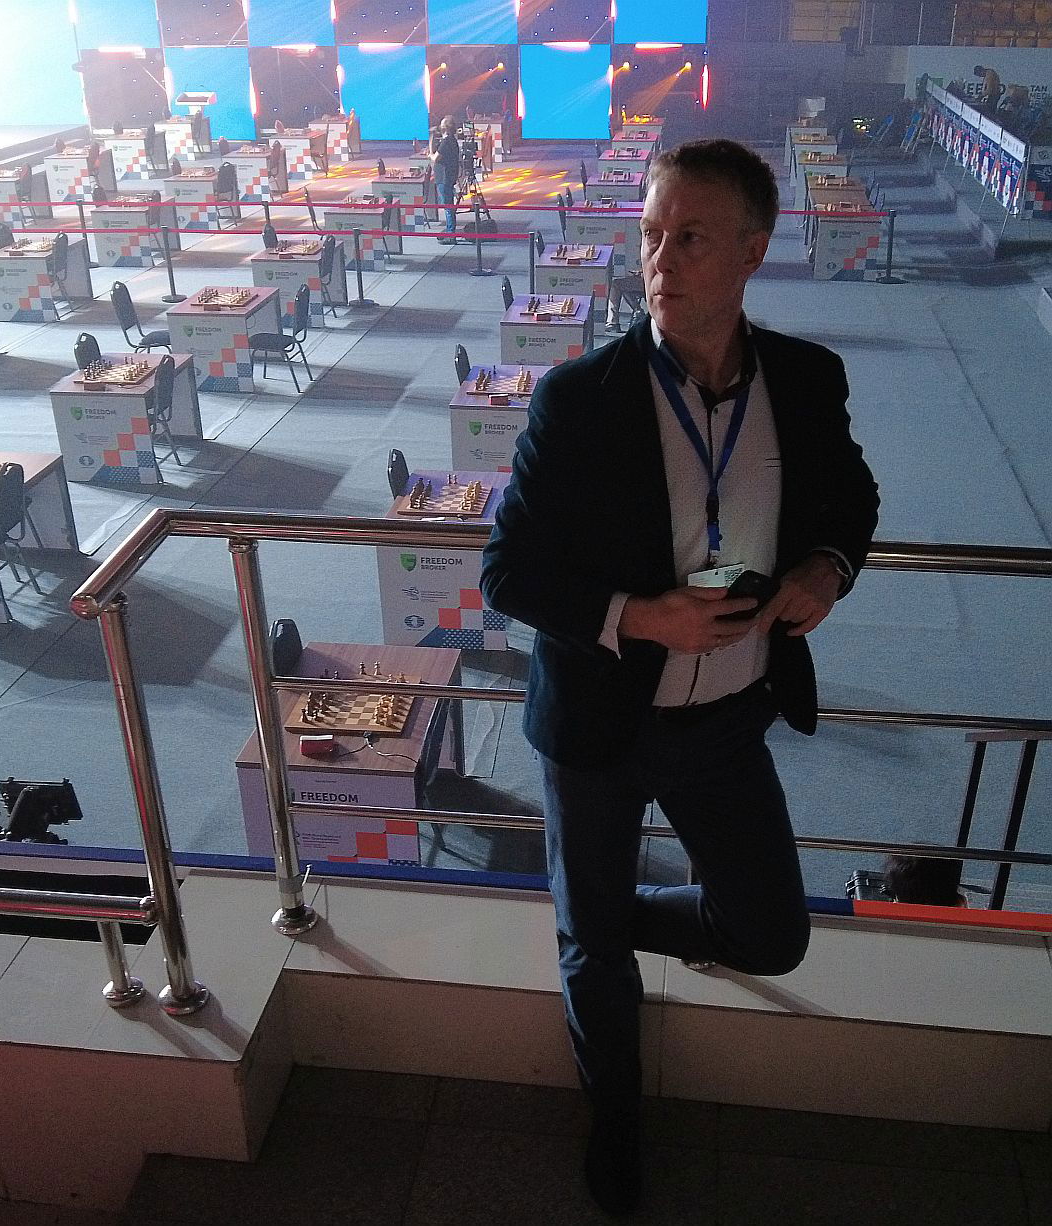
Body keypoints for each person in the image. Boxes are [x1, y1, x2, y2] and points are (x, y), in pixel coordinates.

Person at [480, 139, 880, 1216]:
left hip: (728, 722)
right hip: (599, 726)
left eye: (691, 237)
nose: (659, 259)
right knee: (595, 963)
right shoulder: (579, 400)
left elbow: (852, 501)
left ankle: (598, 916)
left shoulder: (806, 381)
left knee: (770, 933)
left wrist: (827, 567)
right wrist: (637, 616)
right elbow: (507, 570)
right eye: (651, 234)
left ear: (754, 249)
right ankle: (615, 1117)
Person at [430, 115, 460, 243]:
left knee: (448, 207)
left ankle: (451, 234)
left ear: (445, 127)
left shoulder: (446, 142)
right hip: (448, 176)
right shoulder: (451, 140)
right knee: (449, 206)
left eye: (442, 124)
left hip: (444, 178)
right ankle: (449, 231)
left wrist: (430, 153)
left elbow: (435, 158)